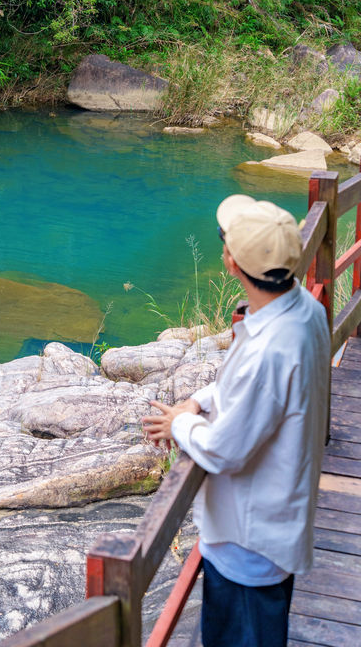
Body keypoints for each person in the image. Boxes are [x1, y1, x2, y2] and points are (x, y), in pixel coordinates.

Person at [143, 194, 331, 647]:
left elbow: (225, 450)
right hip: (273, 525)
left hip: (249, 544)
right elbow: (250, 388)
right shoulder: (302, 309)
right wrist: (200, 401)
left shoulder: (271, 348)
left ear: (230, 262)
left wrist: (179, 425)